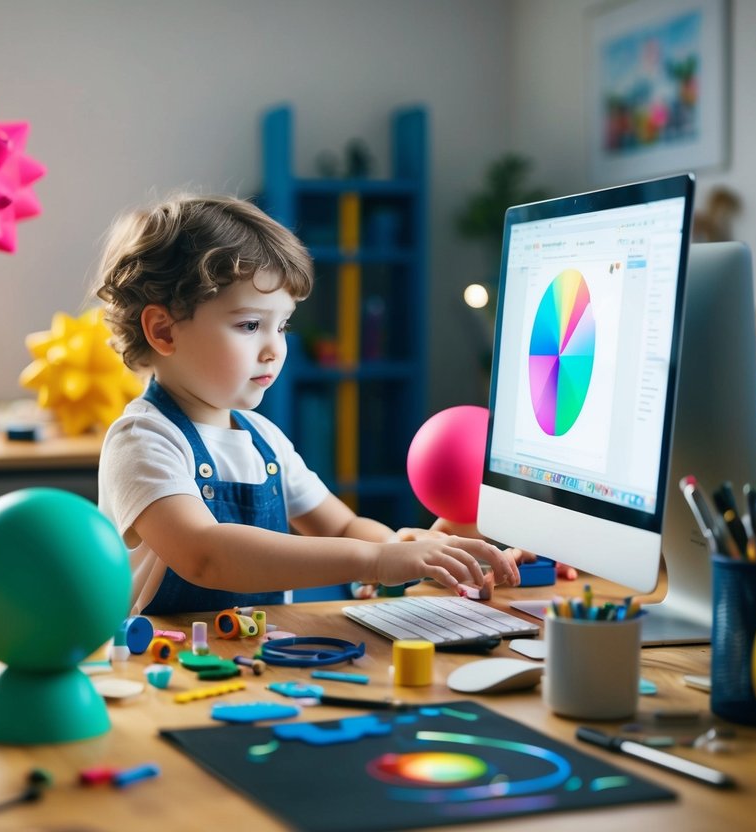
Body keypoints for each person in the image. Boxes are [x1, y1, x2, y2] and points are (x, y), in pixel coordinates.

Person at [93, 193, 529, 615]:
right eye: (250, 325)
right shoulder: (143, 441)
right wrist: (375, 560)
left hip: (253, 652)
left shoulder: (263, 440)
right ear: (163, 331)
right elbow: (205, 555)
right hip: (166, 660)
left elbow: (341, 526)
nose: (274, 349)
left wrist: (407, 550)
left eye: (282, 325)